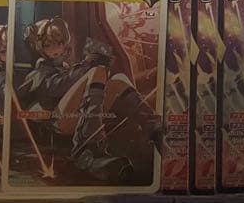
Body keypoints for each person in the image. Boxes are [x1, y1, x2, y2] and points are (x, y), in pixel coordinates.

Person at [18, 17, 159, 181]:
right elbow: (56, 87)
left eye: (59, 43)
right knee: (96, 71)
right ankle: (87, 151)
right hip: (59, 120)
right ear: (39, 47)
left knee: (118, 79)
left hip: (76, 115)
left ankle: (154, 126)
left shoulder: (65, 67)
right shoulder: (40, 71)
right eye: (48, 45)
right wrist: (86, 66)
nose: (55, 48)